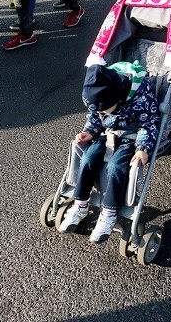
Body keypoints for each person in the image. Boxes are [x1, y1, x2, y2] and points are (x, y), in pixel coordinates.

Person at [57, 63, 159, 242]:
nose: (101, 112)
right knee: (87, 158)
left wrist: (143, 148)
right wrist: (89, 131)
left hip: (131, 139)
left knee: (115, 166)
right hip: (107, 135)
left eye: (104, 109)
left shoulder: (141, 99)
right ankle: (80, 203)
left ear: (117, 99)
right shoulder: (102, 102)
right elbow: (95, 117)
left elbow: (148, 124)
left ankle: (109, 213)